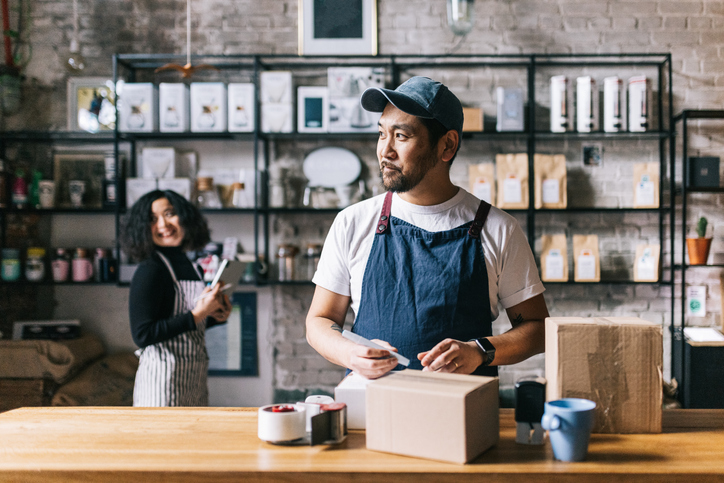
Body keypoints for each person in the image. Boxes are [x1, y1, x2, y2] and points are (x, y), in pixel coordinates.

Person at [306, 76, 549, 379]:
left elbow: (537, 329)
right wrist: (349, 352)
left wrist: (479, 350)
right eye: (382, 134)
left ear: (447, 145)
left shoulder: (499, 229)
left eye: (402, 137)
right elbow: (320, 319)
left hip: (463, 412)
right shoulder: (352, 222)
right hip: (373, 408)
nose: (385, 151)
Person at [122, 190, 231, 406]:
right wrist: (198, 313)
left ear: (184, 217)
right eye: (152, 219)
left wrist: (215, 315)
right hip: (160, 386)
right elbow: (142, 334)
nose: (163, 224)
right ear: (143, 229)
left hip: (194, 381)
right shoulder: (150, 269)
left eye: (169, 214)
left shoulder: (191, 266)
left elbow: (186, 322)